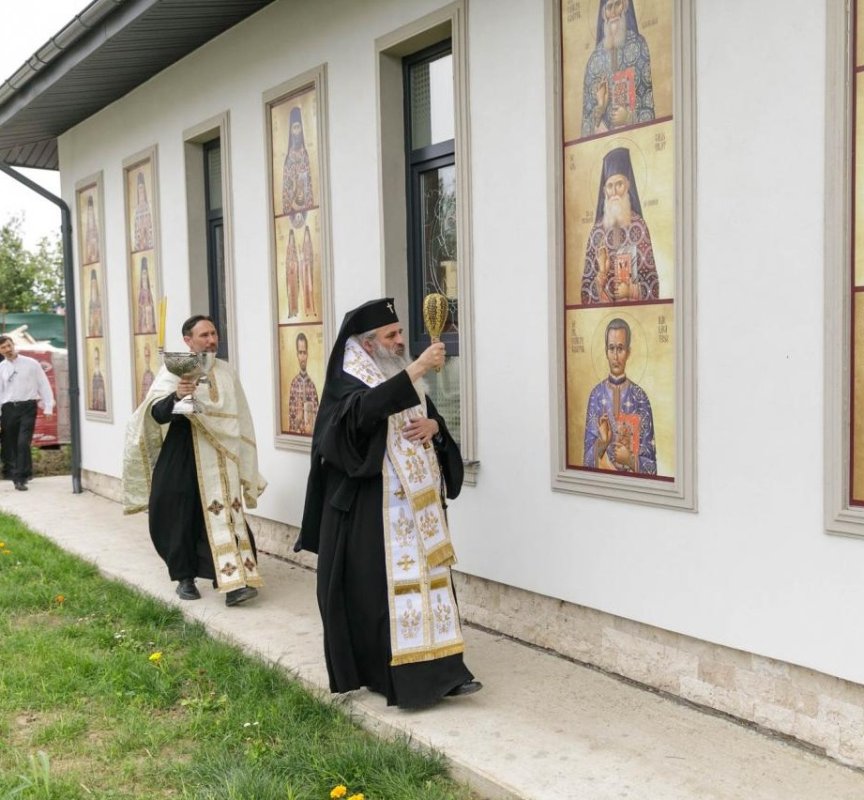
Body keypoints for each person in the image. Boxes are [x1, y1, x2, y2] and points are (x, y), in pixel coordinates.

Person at [296, 298, 481, 708]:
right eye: (391, 335)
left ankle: (447, 672)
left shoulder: (398, 372)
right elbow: (357, 419)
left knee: (432, 590)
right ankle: (392, 678)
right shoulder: (349, 377)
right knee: (380, 602)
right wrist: (417, 368)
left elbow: (427, 421)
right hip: (371, 512)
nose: (400, 341)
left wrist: (435, 426)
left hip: (418, 512)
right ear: (366, 344)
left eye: (400, 333)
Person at [123, 315, 267, 606]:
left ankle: (232, 583)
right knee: (178, 512)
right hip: (183, 450)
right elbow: (156, 413)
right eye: (204, 335)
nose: (212, 339)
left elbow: (241, 417)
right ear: (187, 341)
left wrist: (241, 453)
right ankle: (184, 577)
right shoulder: (173, 370)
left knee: (224, 513)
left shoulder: (226, 372)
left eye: (214, 333)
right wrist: (177, 395)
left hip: (221, 456)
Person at [581, 146, 659, 304]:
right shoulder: (597, 232)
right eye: (610, 186)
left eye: (619, 184)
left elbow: (653, 284)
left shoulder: (639, 227)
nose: (615, 191)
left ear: (628, 186)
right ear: (604, 191)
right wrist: (601, 276)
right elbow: (585, 289)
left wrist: (631, 291)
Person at [583, 317, 656, 475]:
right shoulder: (596, 396)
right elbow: (586, 463)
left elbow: (652, 466)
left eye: (620, 348)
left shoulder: (641, 398)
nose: (615, 356)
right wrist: (602, 443)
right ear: (606, 351)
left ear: (628, 352)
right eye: (611, 348)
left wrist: (629, 460)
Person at [580, 0, 655, 138]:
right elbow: (585, 129)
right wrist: (600, 108)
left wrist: (629, 118)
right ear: (603, 14)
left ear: (625, 6)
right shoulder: (594, 61)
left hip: (636, 138)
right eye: (609, 7)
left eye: (617, 4)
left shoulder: (639, 47)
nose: (613, 12)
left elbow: (648, 108)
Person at [0, 335, 55, 491]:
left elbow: (43, 384)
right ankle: (26, 471)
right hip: (8, 409)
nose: (7, 349)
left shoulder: (31, 364)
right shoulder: (1, 368)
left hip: (28, 407)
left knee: (23, 442)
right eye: (3, 347)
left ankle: (20, 479)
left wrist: (48, 406)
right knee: (12, 444)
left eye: (8, 345)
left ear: (13, 345)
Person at [287, 332, 319, 435]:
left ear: (307, 354)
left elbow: (319, 419)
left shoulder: (312, 386)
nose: (302, 357)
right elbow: (291, 425)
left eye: (304, 352)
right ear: (297, 355)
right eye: (300, 353)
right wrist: (298, 419)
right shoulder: (294, 384)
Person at [91, 346, 106, 412]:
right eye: (95, 359)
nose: (96, 361)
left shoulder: (101, 375)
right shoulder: (93, 375)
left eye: (97, 359)